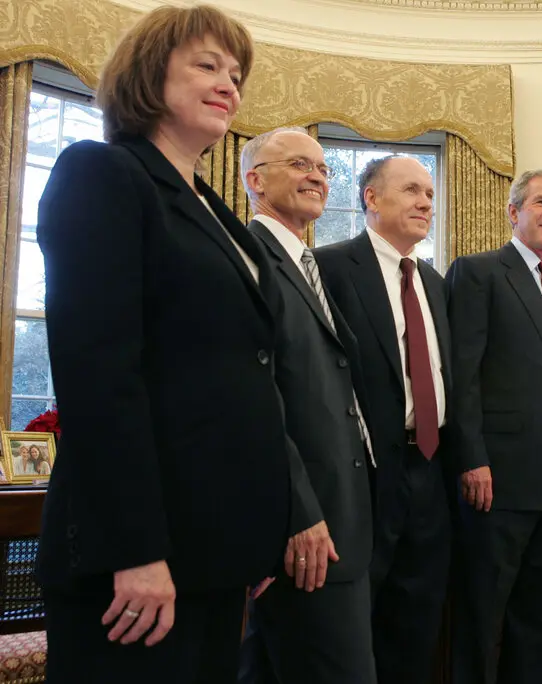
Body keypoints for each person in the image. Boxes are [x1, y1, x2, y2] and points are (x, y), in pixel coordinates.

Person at [34, 6, 293, 683]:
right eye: (207, 66)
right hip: (139, 560)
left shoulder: (217, 213)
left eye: (236, 75)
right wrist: (136, 550)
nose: (228, 85)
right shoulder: (102, 173)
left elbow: (243, 375)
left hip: (214, 549)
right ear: (150, 74)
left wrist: (252, 538)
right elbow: (98, 375)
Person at [446, 169, 542, 684]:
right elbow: (461, 374)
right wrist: (471, 457)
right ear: (514, 212)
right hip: (498, 481)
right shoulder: (479, 272)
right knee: (483, 614)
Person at [239, 127, 376, 682]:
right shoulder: (249, 259)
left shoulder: (308, 264)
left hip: (344, 516)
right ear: (255, 180)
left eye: (322, 167)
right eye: (299, 164)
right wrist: (298, 512)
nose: (318, 176)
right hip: (305, 526)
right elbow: (255, 399)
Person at [315, 155, 452, 684]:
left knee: (416, 621)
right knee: (354, 621)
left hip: (429, 468)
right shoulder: (328, 266)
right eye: (412, 190)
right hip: (362, 473)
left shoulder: (433, 282)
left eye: (430, 194)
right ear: (371, 199)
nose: (425, 202)